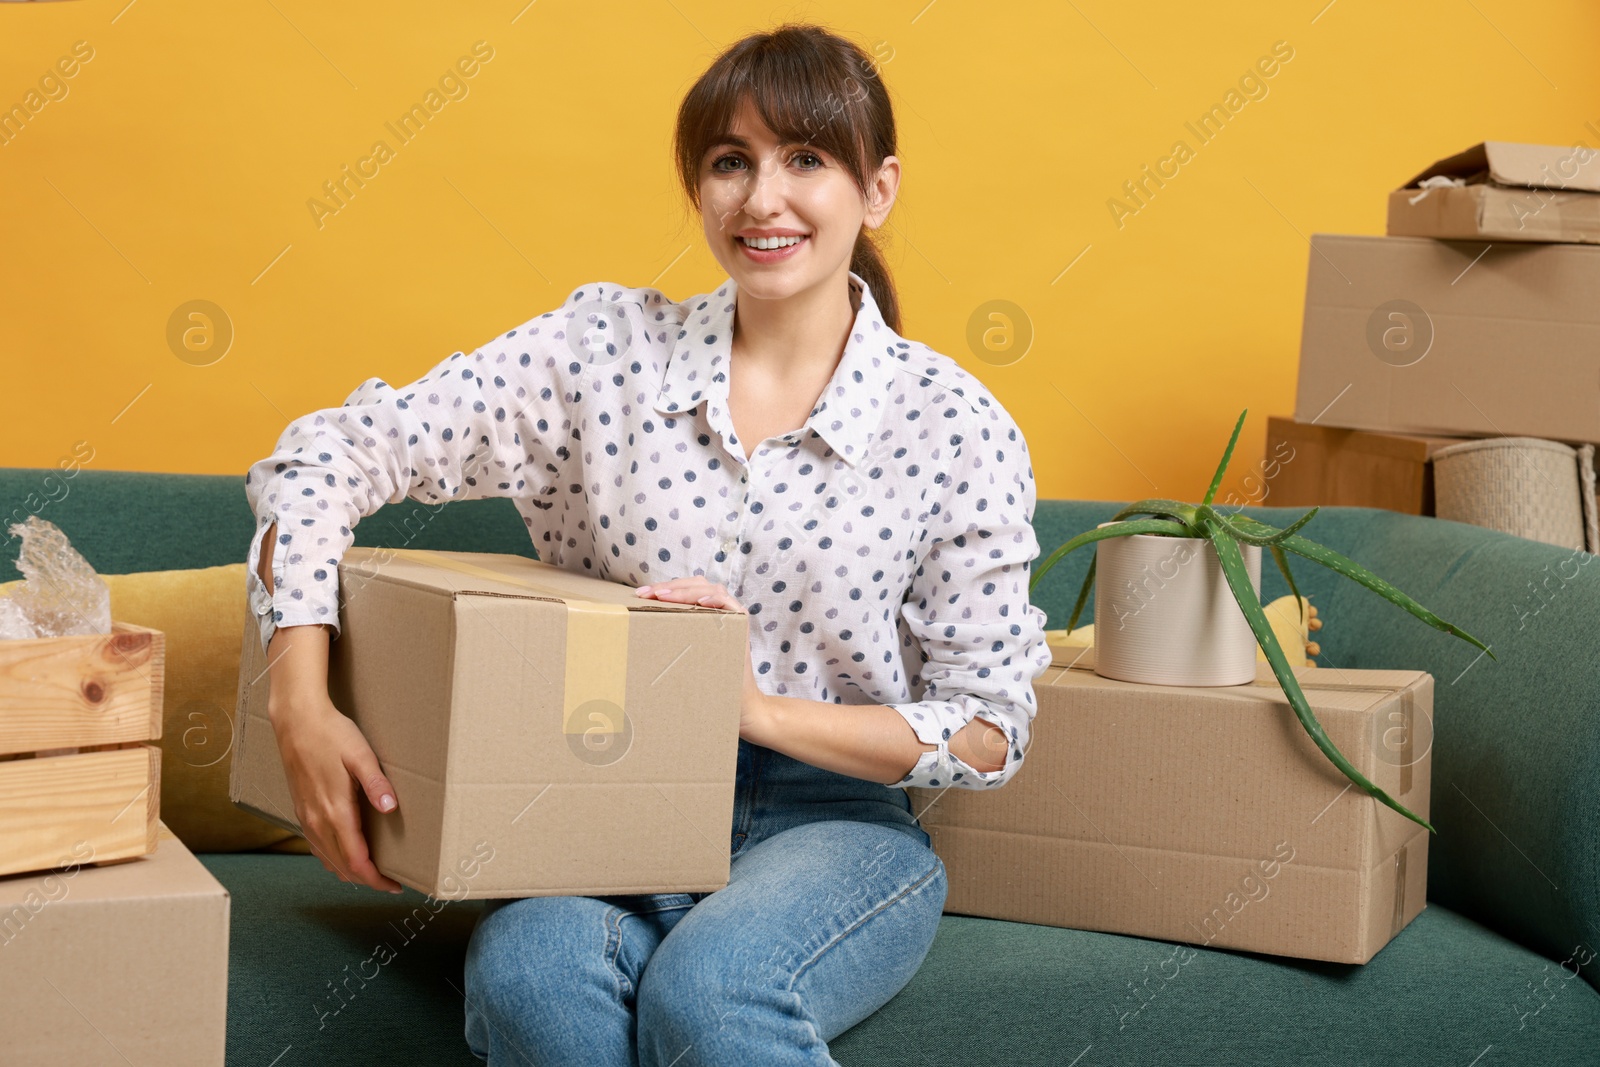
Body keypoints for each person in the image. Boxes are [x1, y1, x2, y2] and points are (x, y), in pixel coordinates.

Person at [244, 21, 1053, 1066]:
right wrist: (298, 700)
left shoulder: (954, 424)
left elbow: (989, 727)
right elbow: (322, 457)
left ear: (878, 188)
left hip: (830, 822)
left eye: (804, 158)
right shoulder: (601, 356)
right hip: (597, 799)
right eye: (730, 162)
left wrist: (752, 708)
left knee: (713, 994)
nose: (762, 198)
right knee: (530, 974)